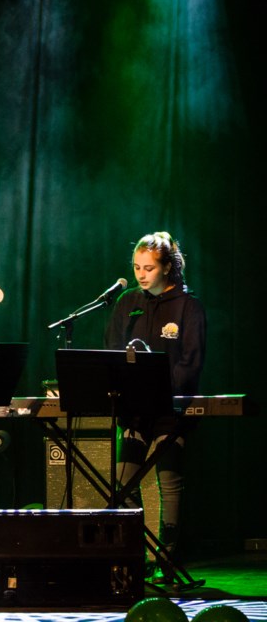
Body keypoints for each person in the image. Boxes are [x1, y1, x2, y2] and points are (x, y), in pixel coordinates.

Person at [104, 231, 206, 584]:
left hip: (170, 410)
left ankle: (167, 557)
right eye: (136, 267)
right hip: (134, 409)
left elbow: (190, 363)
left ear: (167, 268)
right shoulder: (127, 303)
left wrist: (165, 388)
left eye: (148, 267)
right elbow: (111, 352)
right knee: (123, 481)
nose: (141, 274)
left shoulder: (188, 306)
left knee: (169, 482)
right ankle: (136, 555)